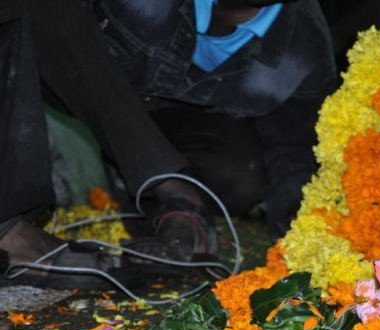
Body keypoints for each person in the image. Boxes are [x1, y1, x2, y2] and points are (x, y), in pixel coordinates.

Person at [0, 0, 336, 289]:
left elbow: (293, 156)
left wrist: (313, 242)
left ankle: (162, 211)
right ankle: (172, 190)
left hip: (177, 122)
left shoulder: (304, 48)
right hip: (76, 67)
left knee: (239, 175)